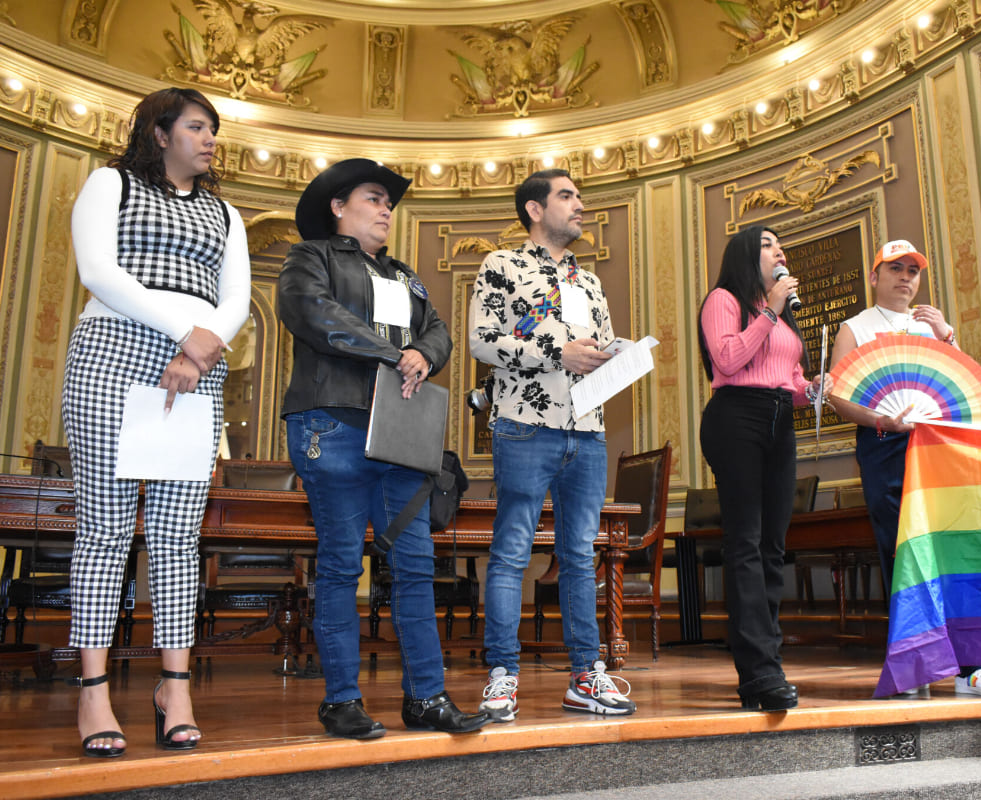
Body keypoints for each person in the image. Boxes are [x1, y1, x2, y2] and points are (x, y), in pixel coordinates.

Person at [64, 87, 250, 756]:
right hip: (113, 351)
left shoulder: (226, 213)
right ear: (161, 130)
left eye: (213, 130)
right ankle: (92, 692)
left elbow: (237, 299)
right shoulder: (108, 183)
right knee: (106, 531)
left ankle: (174, 685)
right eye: (197, 127)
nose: (208, 139)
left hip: (197, 371)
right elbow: (98, 271)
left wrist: (201, 350)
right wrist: (189, 333)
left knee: (175, 536)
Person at [279, 159, 490, 738]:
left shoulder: (406, 276)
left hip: (401, 435)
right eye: (374, 199)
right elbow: (311, 312)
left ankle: (426, 698)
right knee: (343, 565)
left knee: (417, 566)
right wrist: (391, 353)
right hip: (334, 425)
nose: (385, 209)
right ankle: (341, 701)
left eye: (389, 203)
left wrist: (425, 353)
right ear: (338, 207)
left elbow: (440, 329)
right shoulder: (311, 257)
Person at [469, 169, 636, 720]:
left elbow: (601, 345)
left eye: (580, 196)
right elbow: (481, 339)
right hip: (523, 424)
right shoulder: (502, 266)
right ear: (535, 210)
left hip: (587, 430)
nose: (580, 205)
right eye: (568, 196)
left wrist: (621, 355)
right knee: (512, 552)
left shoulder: (589, 282)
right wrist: (554, 354)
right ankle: (502, 676)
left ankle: (587, 677)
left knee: (578, 558)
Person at [828, 239, 981, 698]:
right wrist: (879, 420)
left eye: (913, 269)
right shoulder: (855, 328)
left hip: (940, 450)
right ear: (874, 277)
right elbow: (836, 394)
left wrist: (948, 338)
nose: (906, 277)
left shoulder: (935, 327)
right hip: (884, 446)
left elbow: (964, 394)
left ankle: (973, 668)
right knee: (901, 555)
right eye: (895, 268)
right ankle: (912, 665)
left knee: (957, 552)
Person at [697, 225, 826, 711]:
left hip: (778, 419)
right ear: (747, 253)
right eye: (770, 243)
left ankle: (768, 658)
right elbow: (728, 360)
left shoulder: (780, 316)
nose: (781, 250)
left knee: (773, 547)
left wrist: (811, 389)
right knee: (746, 544)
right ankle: (757, 674)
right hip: (736, 418)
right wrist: (770, 310)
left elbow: (787, 378)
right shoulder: (724, 299)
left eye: (781, 244)